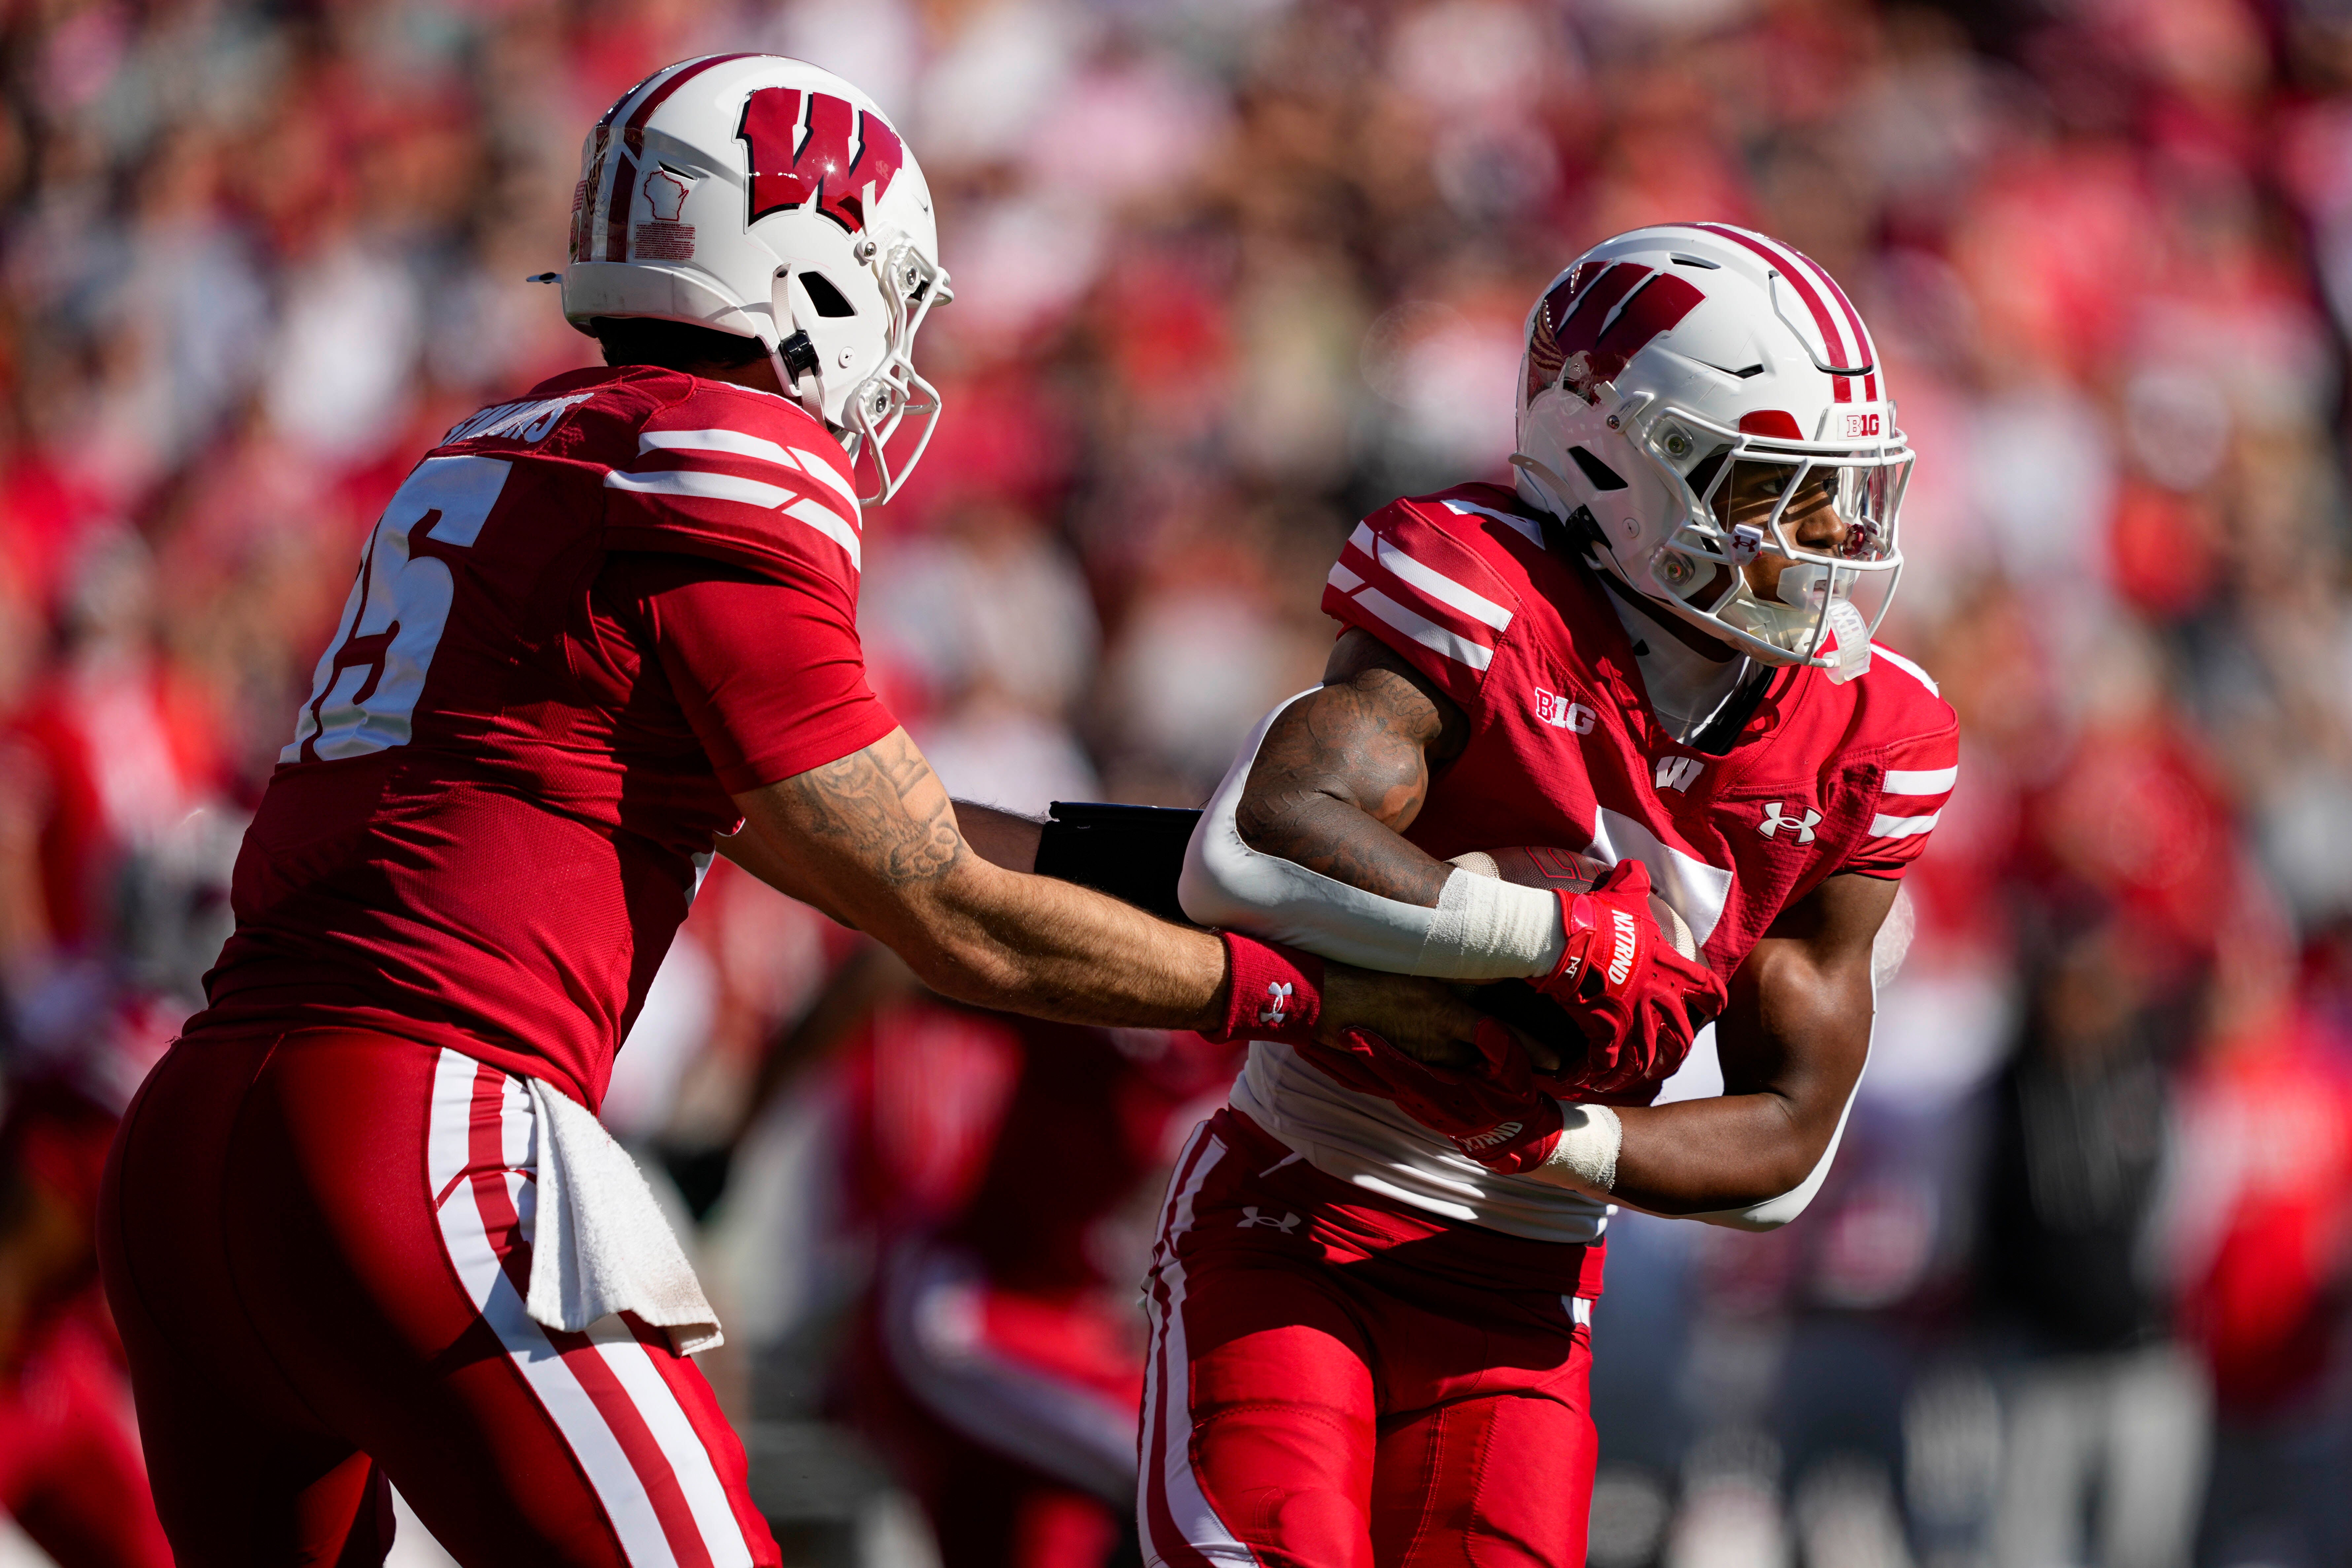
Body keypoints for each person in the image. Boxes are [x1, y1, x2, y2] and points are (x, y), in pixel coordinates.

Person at [94, 55, 1485, 1568]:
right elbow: (937, 908)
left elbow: (835, 828)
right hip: (414, 1126)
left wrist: (1188, 868)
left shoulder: (504, 448)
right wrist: (1292, 995)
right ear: (804, 271)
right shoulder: (727, 451)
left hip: (197, 1145)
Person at [1140, 223, 1960, 1566]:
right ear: (1609, 461)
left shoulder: (1870, 734)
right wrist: (1551, 937)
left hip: (1533, 1278)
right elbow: (1253, 846)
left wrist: (1556, 1141)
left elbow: (1785, 1146)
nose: (1817, 543)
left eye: (1837, 497)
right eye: (1768, 489)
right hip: (1309, 1204)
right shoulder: (1483, 585)